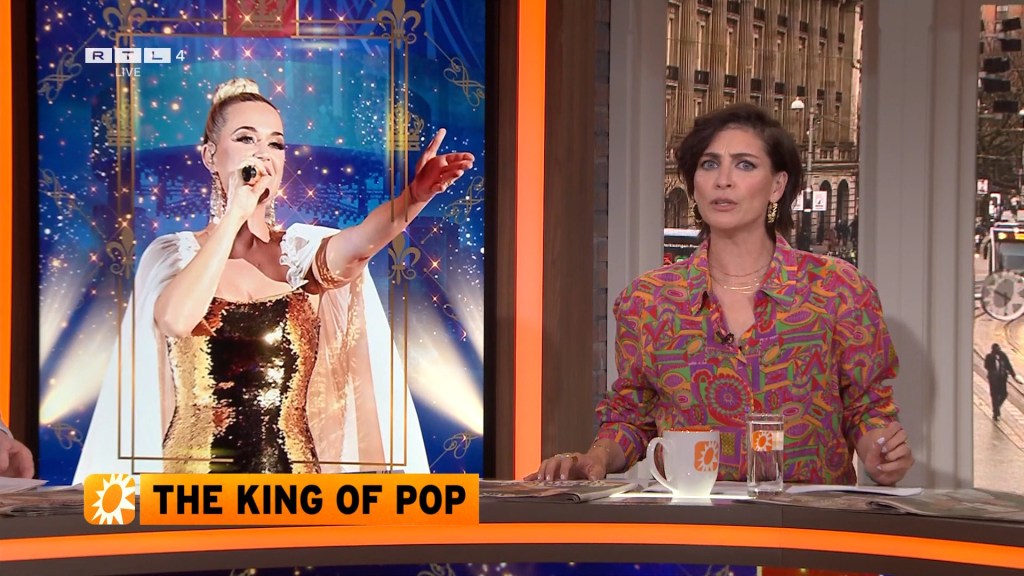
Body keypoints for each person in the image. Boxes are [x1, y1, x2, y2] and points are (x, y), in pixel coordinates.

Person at [75, 78, 474, 480]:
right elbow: (176, 320)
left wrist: (414, 197)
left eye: (276, 144)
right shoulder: (173, 255)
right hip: (194, 486)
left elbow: (358, 247)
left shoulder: (300, 251)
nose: (262, 153)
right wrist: (235, 213)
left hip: (291, 483)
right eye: (246, 139)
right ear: (210, 156)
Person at [530, 103, 913, 486]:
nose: (723, 180)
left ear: (777, 185)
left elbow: (867, 409)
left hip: (807, 518)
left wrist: (880, 454)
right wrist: (595, 458)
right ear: (694, 183)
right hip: (693, 519)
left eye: (745, 164)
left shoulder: (838, 289)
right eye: (709, 164)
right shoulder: (649, 301)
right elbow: (632, 416)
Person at [984, 343, 1018, 422]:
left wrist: (1014, 375)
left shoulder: (1003, 355)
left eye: (999, 349)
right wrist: (993, 369)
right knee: (994, 396)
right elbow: (986, 366)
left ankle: (996, 408)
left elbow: (1008, 365)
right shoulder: (989, 357)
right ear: (993, 350)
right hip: (993, 380)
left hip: (1002, 379)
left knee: (1004, 394)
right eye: (997, 349)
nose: (998, 350)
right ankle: (996, 413)